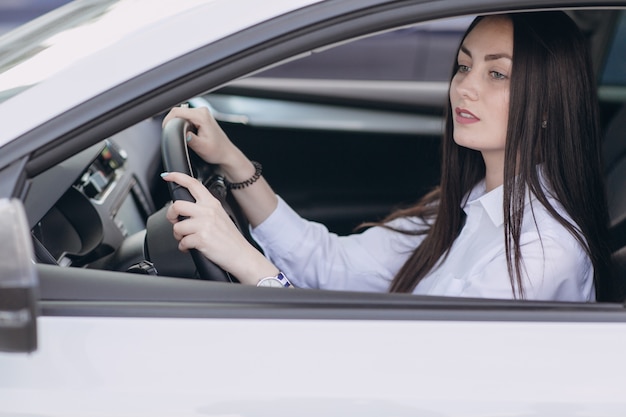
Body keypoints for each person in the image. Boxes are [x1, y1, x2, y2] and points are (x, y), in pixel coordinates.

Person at [161, 11, 618, 301]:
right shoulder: (462, 203)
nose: (465, 86)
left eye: (497, 73)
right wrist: (233, 162)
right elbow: (331, 264)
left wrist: (245, 261)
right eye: (464, 65)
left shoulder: (541, 254)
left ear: (548, 103)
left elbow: (405, 375)